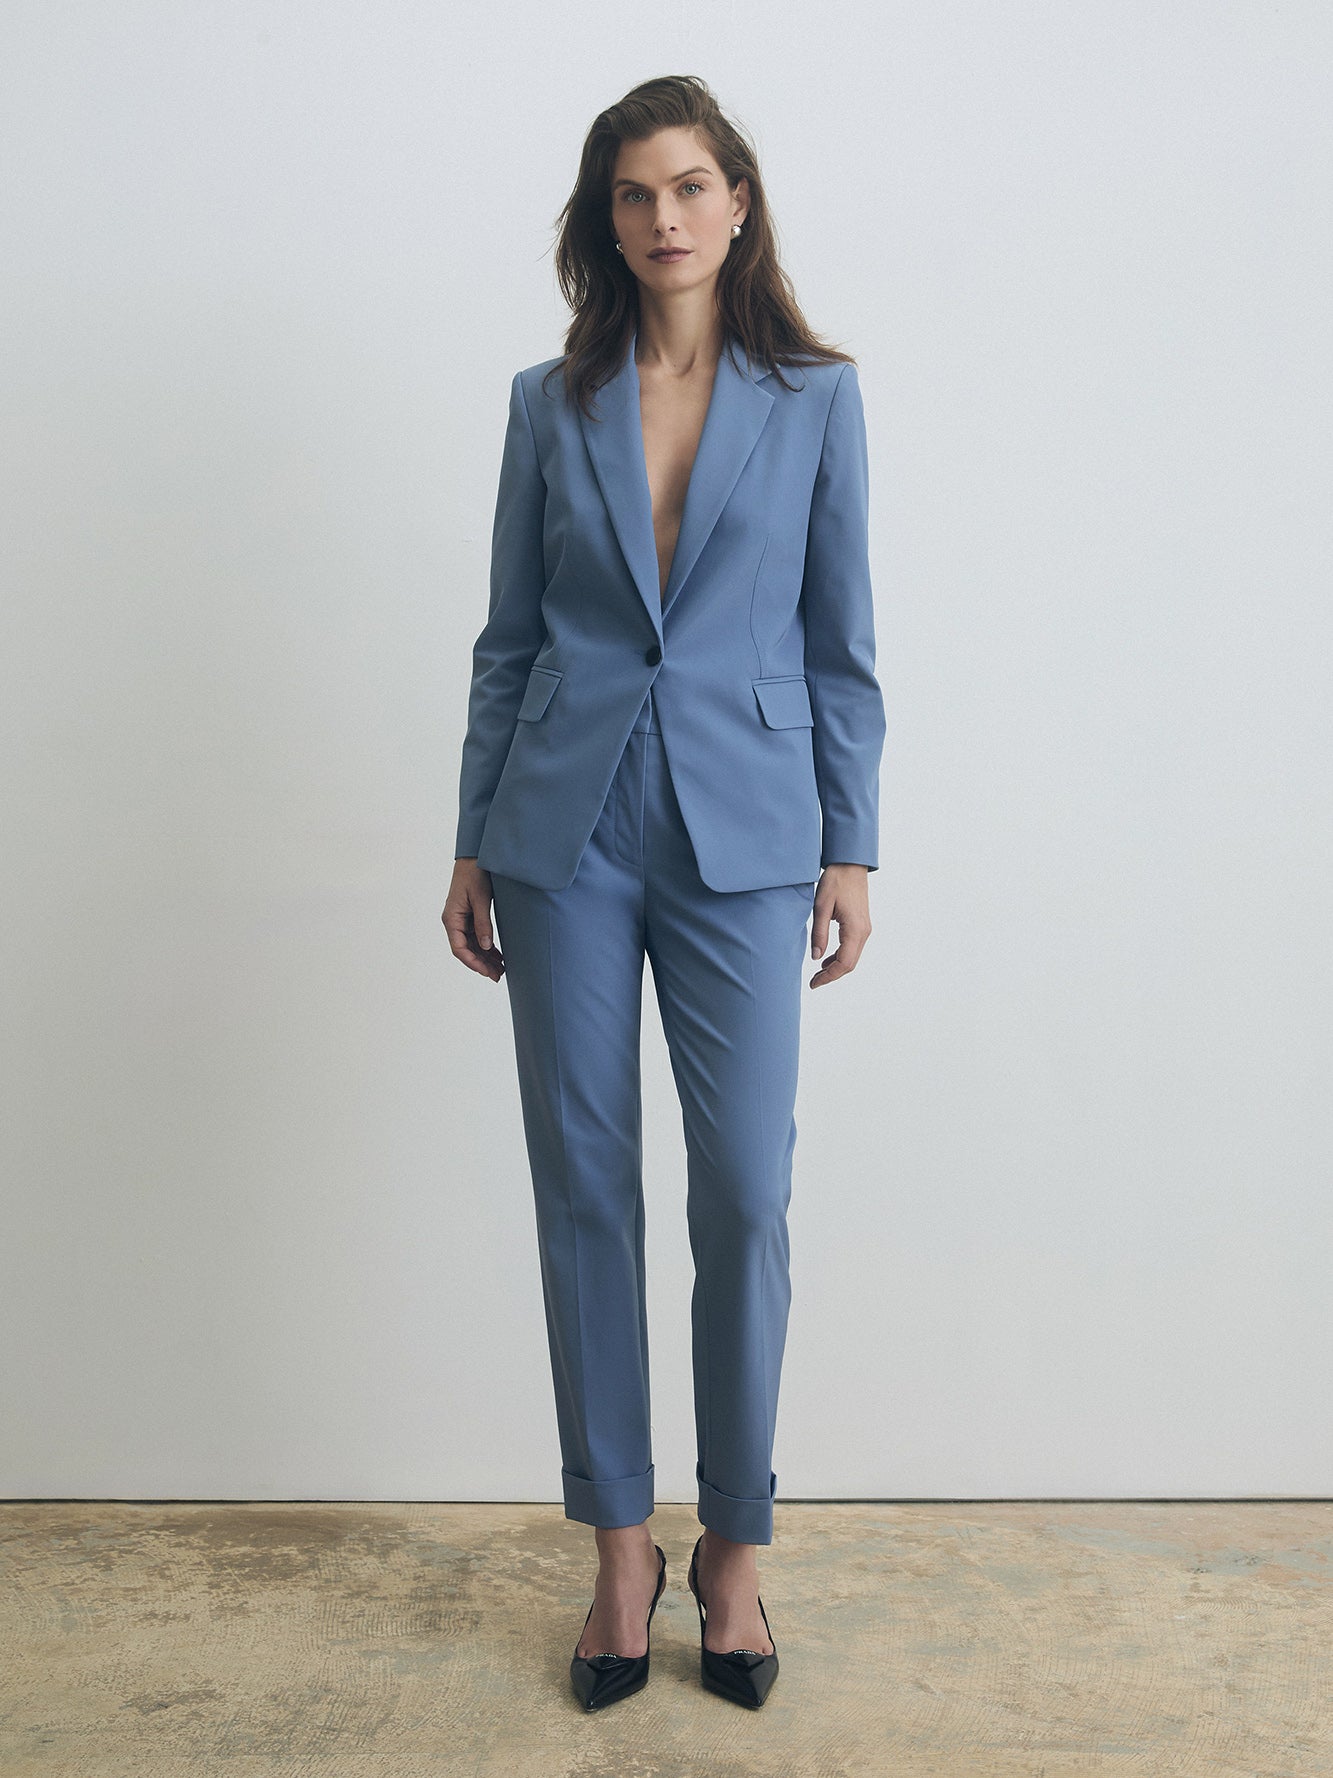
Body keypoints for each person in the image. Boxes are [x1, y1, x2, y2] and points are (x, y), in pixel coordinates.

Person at [442, 74, 885, 1712]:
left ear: (738, 202)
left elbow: (840, 642)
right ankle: (621, 1541)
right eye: (632, 194)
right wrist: (475, 830)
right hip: (565, 823)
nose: (663, 217)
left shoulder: (815, 396)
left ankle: (735, 1550)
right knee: (583, 1184)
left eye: (689, 186)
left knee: (746, 1194)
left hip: (751, 826)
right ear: (603, 220)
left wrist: (851, 841)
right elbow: (508, 639)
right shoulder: (543, 400)